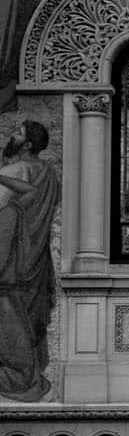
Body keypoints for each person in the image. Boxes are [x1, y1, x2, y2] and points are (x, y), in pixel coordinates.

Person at [0, 120, 59, 403]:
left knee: (10, 318)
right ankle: (31, 372)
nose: (13, 134)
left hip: (10, 262)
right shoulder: (49, 174)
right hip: (37, 261)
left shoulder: (13, 171)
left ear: (26, 145)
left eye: (18, 132)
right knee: (30, 316)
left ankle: (20, 374)